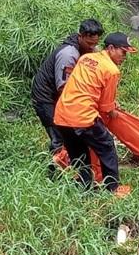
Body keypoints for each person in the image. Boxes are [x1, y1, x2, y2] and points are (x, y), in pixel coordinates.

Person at [53, 32, 137, 196]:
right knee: (107, 147)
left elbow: (85, 86)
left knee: (80, 155)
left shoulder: (85, 59)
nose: (125, 56)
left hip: (62, 116)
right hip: (83, 117)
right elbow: (106, 107)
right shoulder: (111, 70)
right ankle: (112, 189)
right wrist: (112, 109)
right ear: (111, 48)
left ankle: (84, 190)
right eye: (123, 52)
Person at [30, 19, 104, 167]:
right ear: (80, 36)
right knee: (59, 133)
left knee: (70, 131)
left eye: (95, 43)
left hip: (59, 95)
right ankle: (56, 170)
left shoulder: (89, 49)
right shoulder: (69, 55)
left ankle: (71, 162)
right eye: (89, 44)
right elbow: (64, 88)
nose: (93, 47)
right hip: (46, 97)